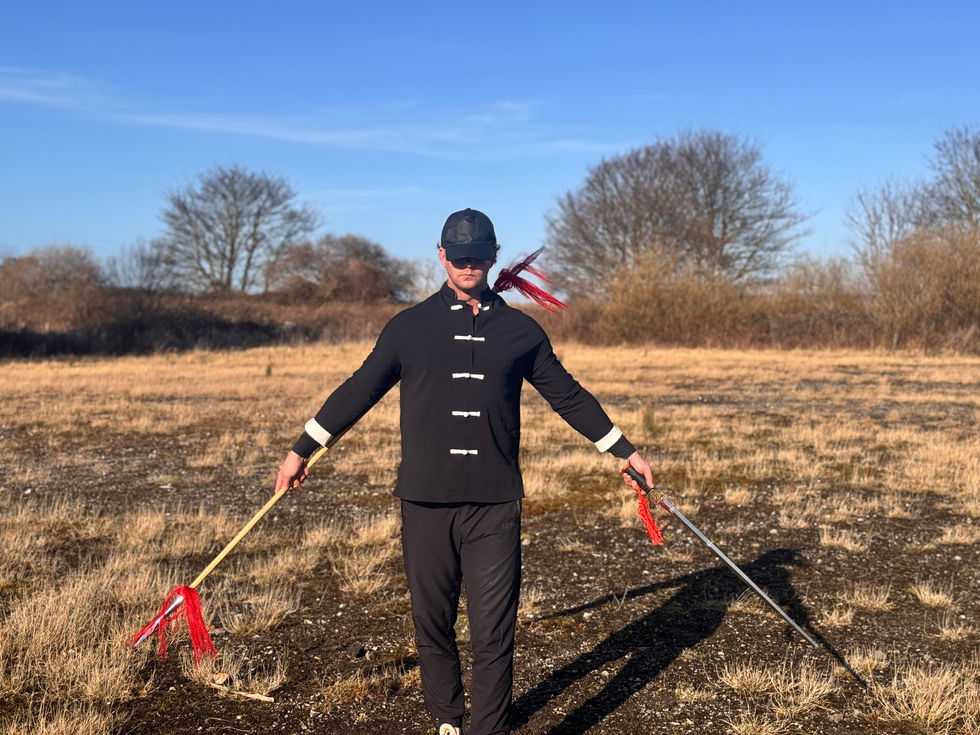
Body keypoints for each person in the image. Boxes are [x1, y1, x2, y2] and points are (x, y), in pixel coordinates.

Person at [276, 208, 654, 735]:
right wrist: (303, 449)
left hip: (495, 503)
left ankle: (490, 729)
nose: (468, 265)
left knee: (494, 631)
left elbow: (566, 394)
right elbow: (360, 389)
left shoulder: (522, 332)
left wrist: (622, 449)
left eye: (478, 257)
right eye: (458, 257)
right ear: (441, 256)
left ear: (493, 257)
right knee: (432, 623)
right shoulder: (408, 327)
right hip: (424, 501)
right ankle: (447, 718)